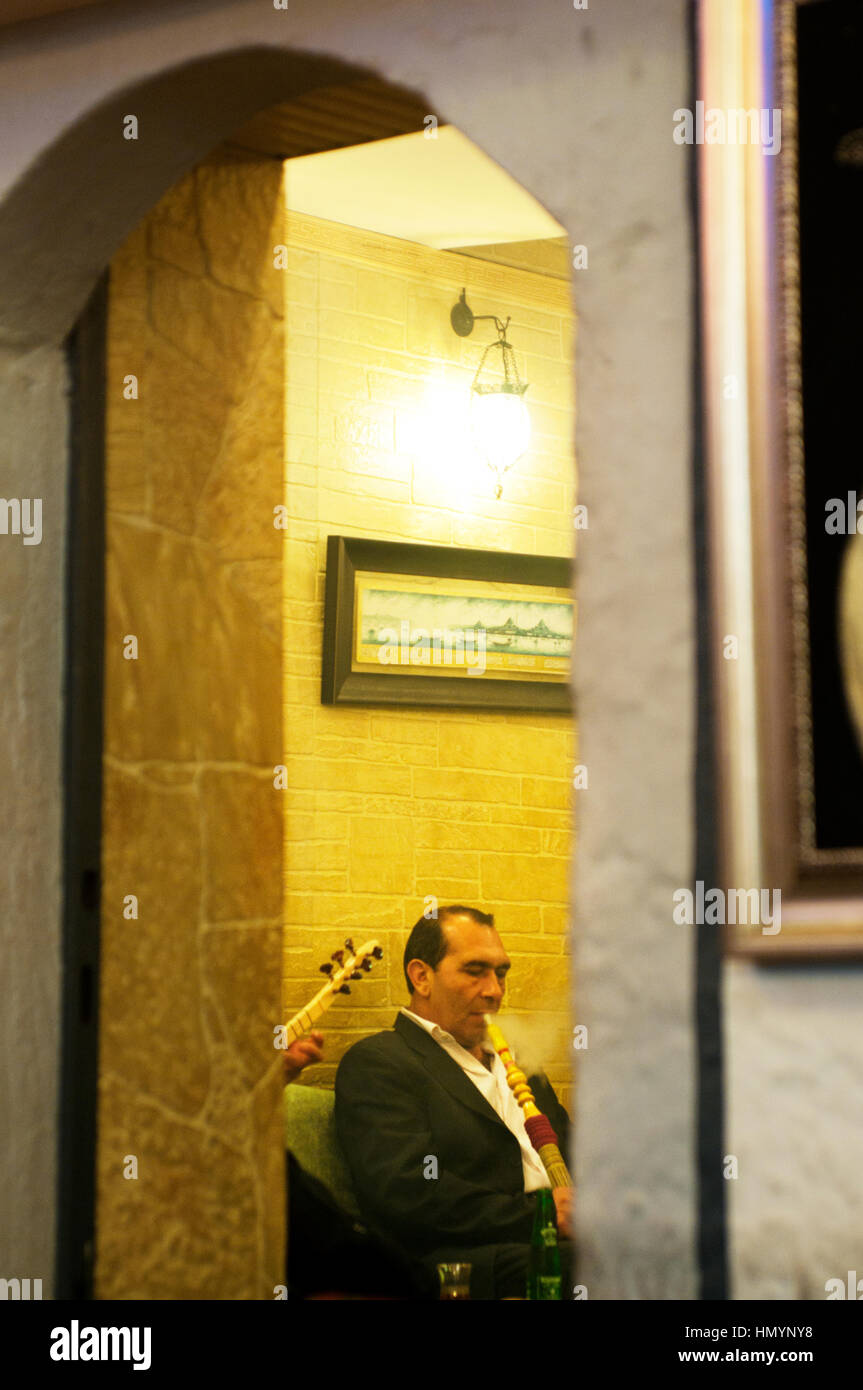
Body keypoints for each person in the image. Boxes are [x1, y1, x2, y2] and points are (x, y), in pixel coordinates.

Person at [334, 905, 574, 1299]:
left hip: (559, 1239)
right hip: (470, 1259)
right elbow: (409, 1193)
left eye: (500, 973)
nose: (494, 990)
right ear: (421, 977)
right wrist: (542, 1215)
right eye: (475, 971)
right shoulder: (380, 1062)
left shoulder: (521, 1062)